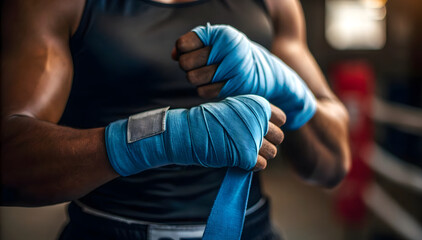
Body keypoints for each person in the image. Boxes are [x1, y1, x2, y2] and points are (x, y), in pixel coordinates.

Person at [1, 0, 350, 239]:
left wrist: (281, 81)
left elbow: (334, 162)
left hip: (248, 228)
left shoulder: (271, 3)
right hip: (107, 230)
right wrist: (166, 135)